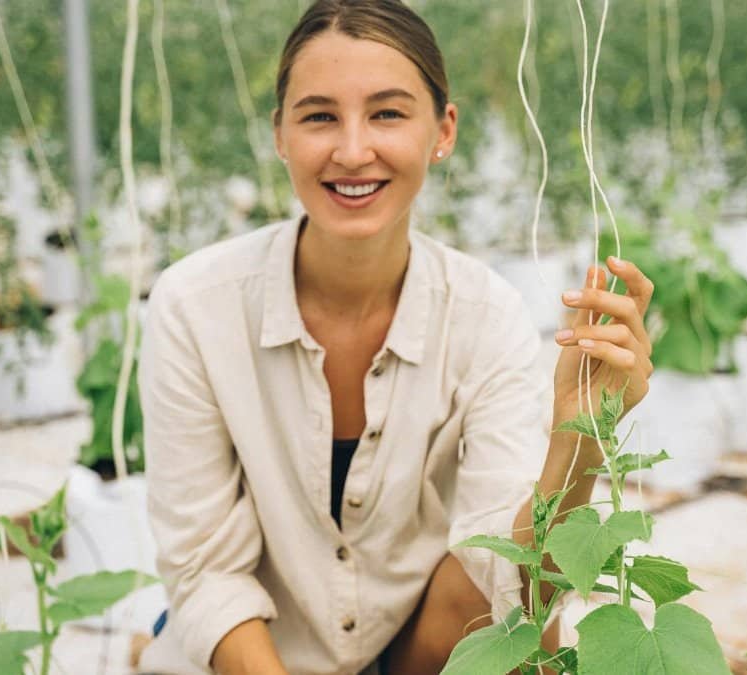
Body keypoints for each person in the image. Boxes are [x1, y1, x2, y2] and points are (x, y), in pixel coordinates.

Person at [136, 1, 654, 673]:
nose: (353, 151)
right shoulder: (194, 307)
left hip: (411, 649)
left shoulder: (486, 314)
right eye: (319, 115)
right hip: (251, 654)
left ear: (443, 131)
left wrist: (578, 441)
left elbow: (520, 591)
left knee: (512, 609)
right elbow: (205, 572)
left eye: (387, 112)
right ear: (280, 135)